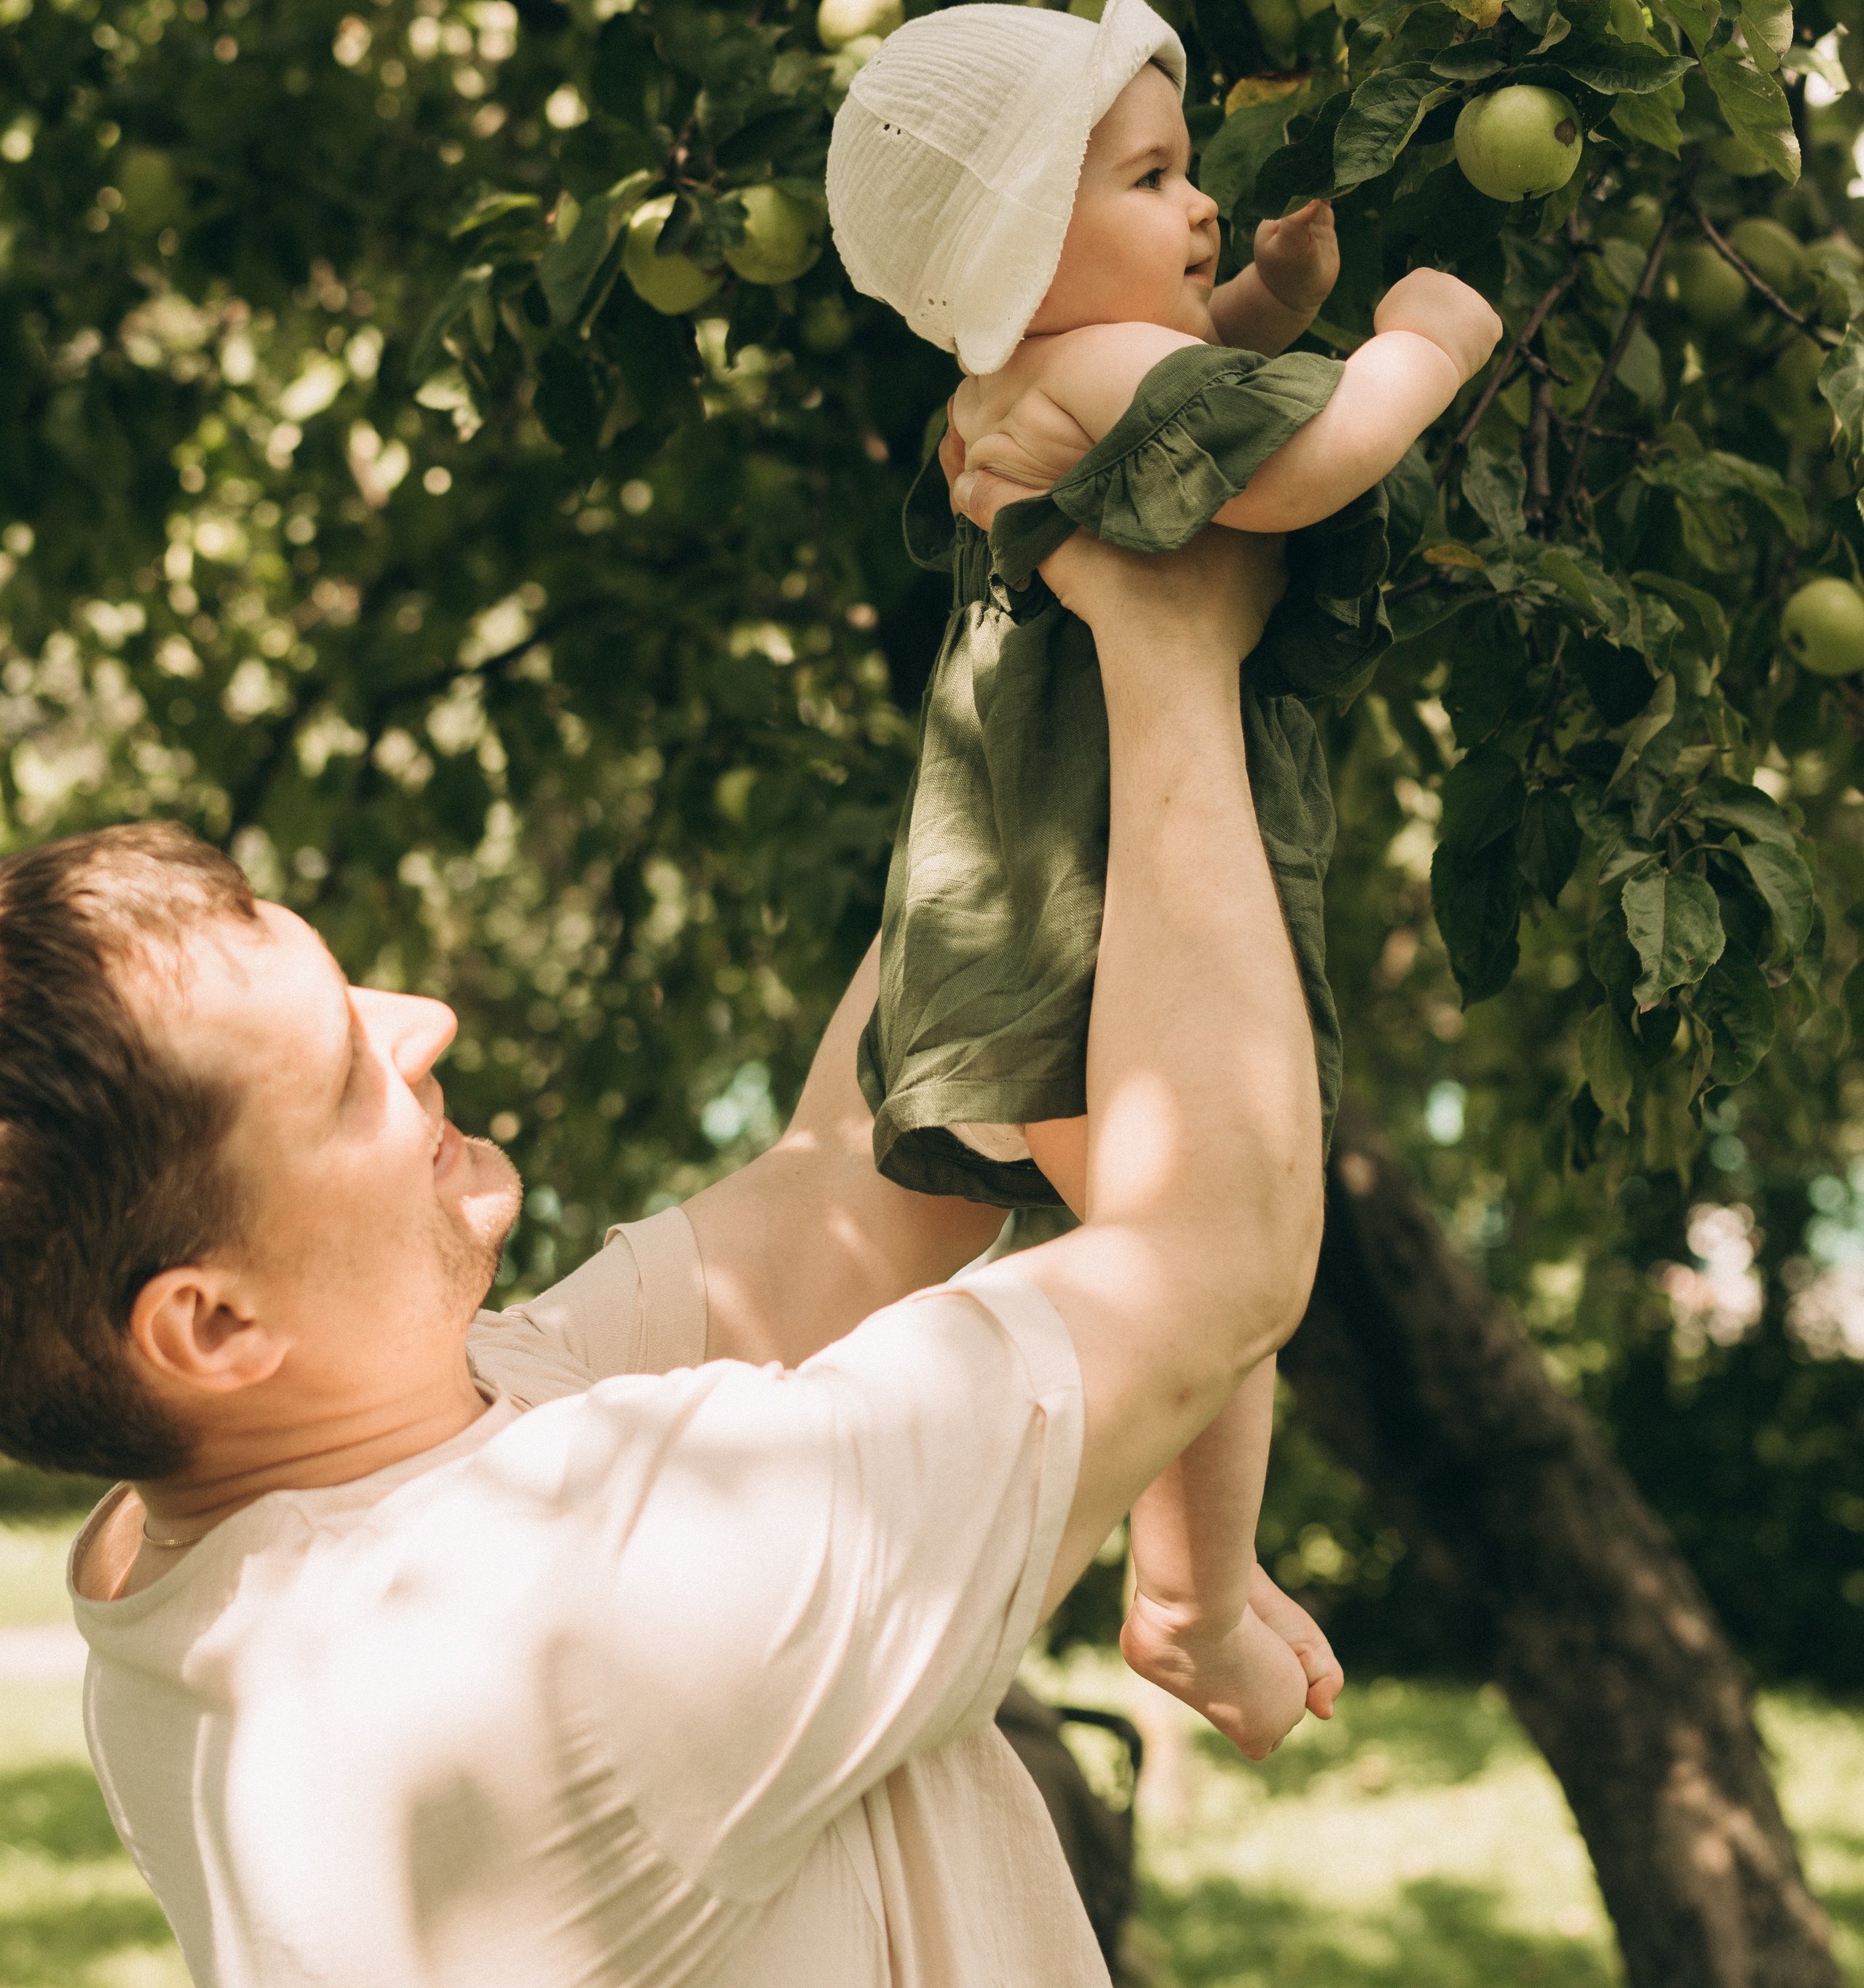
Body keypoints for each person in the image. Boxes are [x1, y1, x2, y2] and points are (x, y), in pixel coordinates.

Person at [29, 510, 1328, 1987]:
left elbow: (872, 1180)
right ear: (208, 1330)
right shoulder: (571, 1614)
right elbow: (1218, 1245)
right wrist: (1170, 647)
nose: (422, 1025)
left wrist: (1041, 557)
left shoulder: (235, 1530)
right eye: (341, 1075)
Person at [826, 0, 1501, 1757]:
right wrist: (1414, 348)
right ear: (1019, 252)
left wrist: (1263, 298)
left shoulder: (1020, 380)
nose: (1196, 204)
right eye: (1147, 180)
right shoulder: (1104, 365)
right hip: (1103, 921)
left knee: (1168, 1264)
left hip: (1011, 923)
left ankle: (1199, 1572)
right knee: (1201, 1249)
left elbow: (1193, 386)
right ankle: (1191, 1595)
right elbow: (1296, 466)